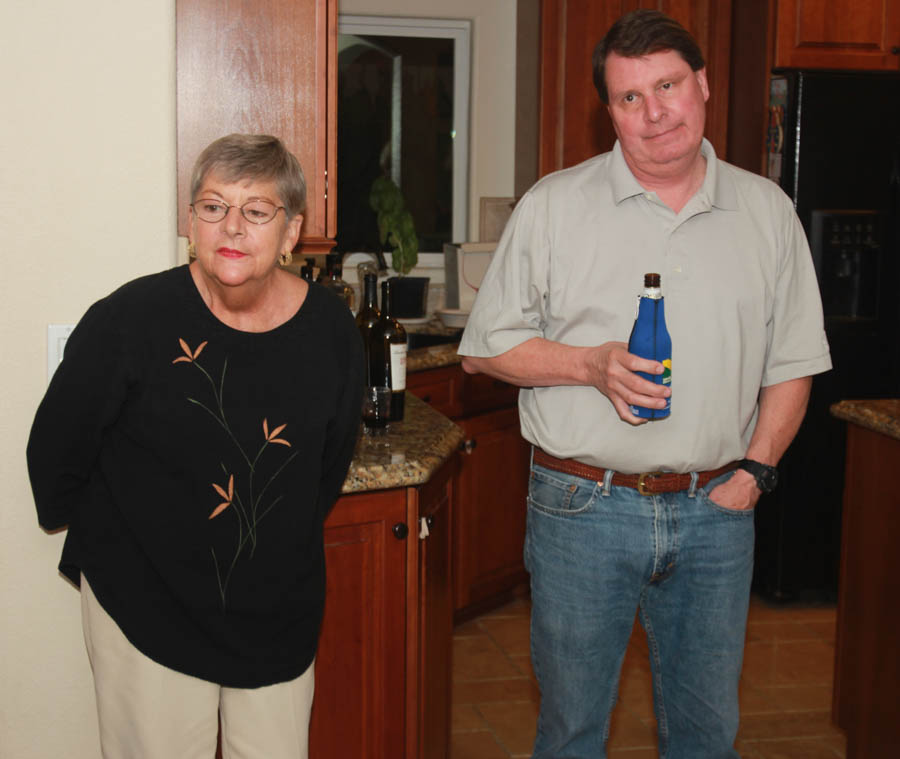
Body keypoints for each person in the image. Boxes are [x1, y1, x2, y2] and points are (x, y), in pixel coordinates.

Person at [458, 10, 831, 759]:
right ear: (610, 112)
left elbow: (792, 362)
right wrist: (587, 365)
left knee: (705, 734)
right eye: (631, 97)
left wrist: (755, 472)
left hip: (718, 509)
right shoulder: (554, 206)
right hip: (580, 506)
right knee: (570, 730)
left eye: (667, 86)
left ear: (702, 86)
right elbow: (483, 349)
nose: (655, 112)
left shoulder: (767, 213)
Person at [27, 134, 364, 758]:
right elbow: (56, 451)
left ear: (292, 232)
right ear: (190, 222)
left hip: (276, 609)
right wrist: (129, 541)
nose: (231, 227)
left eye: (257, 211)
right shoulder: (129, 319)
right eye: (213, 207)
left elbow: (325, 466)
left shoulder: (332, 333)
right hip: (146, 602)